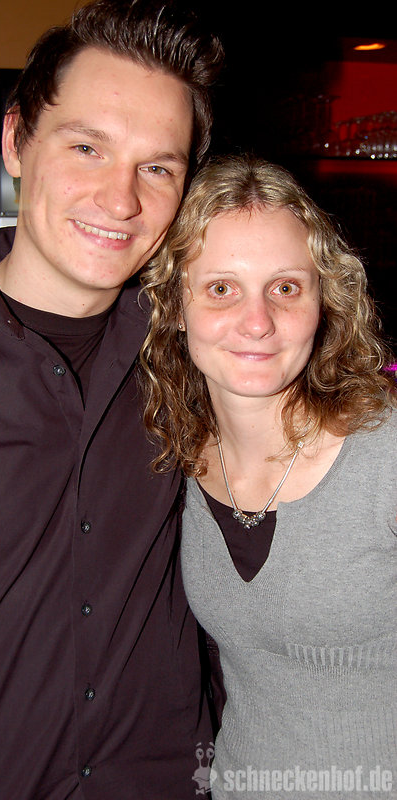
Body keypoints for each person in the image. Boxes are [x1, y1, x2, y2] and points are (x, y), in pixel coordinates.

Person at [0, 3, 224, 798]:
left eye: (158, 168)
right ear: (15, 140)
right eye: (87, 147)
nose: (121, 199)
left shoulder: (203, 353)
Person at [140, 155, 396, 799]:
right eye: (221, 288)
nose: (257, 322)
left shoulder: (385, 454)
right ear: (175, 305)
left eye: (285, 287)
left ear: (324, 301)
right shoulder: (175, 458)